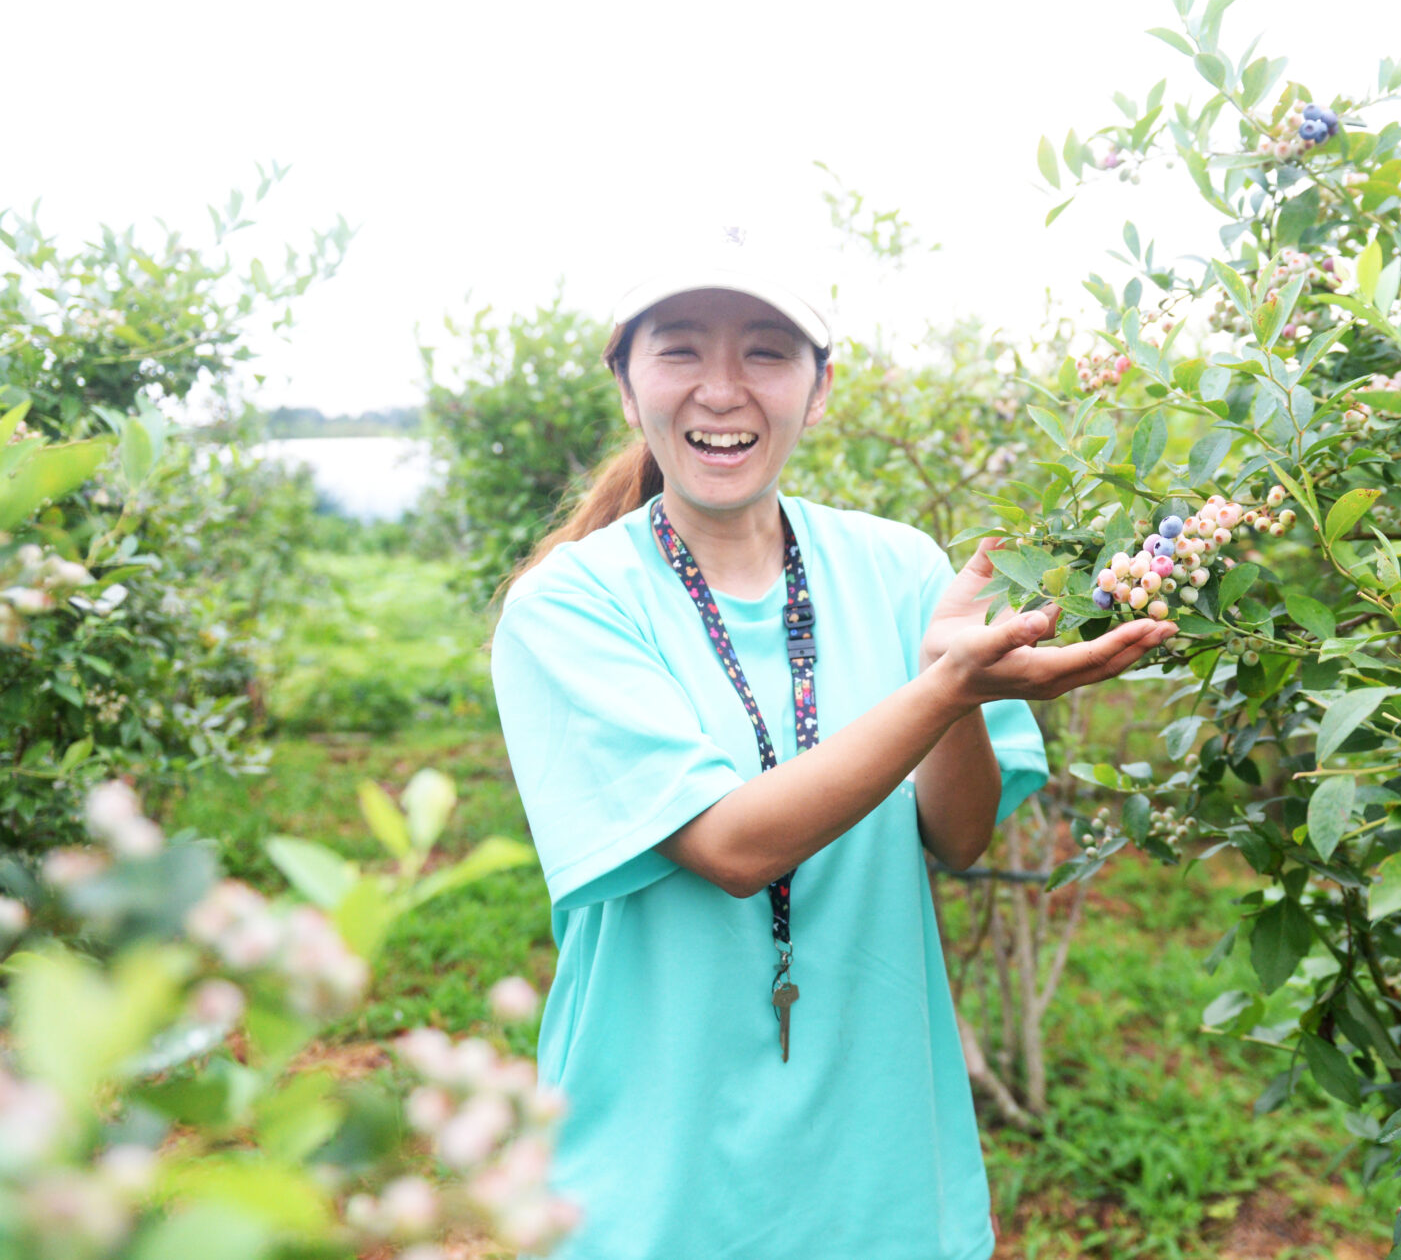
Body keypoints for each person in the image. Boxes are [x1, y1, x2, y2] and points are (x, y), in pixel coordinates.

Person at [487, 225, 1177, 1260]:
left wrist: (951, 689)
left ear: (818, 389)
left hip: (882, 1165)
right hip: (658, 1181)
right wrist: (943, 685)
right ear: (628, 387)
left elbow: (960, 833)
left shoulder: (898, 566)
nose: (722, 388)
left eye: (766, 351)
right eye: (679, 349)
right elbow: (731, 849)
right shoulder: (570, 604)